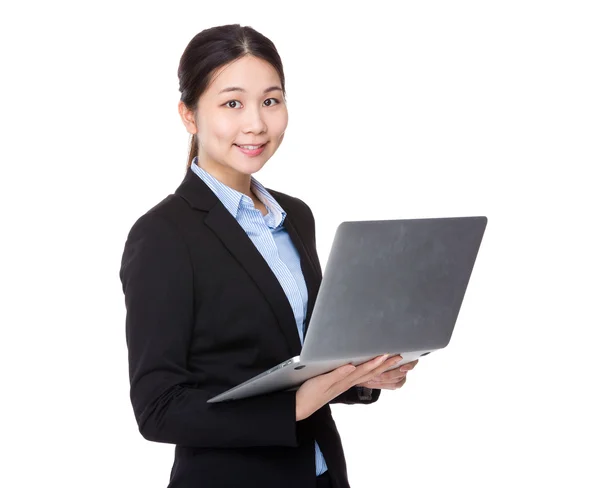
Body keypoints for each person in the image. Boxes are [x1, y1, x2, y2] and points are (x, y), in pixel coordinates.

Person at [119, 24, 419, 488]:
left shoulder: (295, 216)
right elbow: (158, 410)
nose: (256, 123)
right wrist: (292, 408)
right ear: (189, 115)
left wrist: (363, 377)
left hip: (321, 472)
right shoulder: (162, 236)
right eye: (232, 103)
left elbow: (307, 356)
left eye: (271, 100)